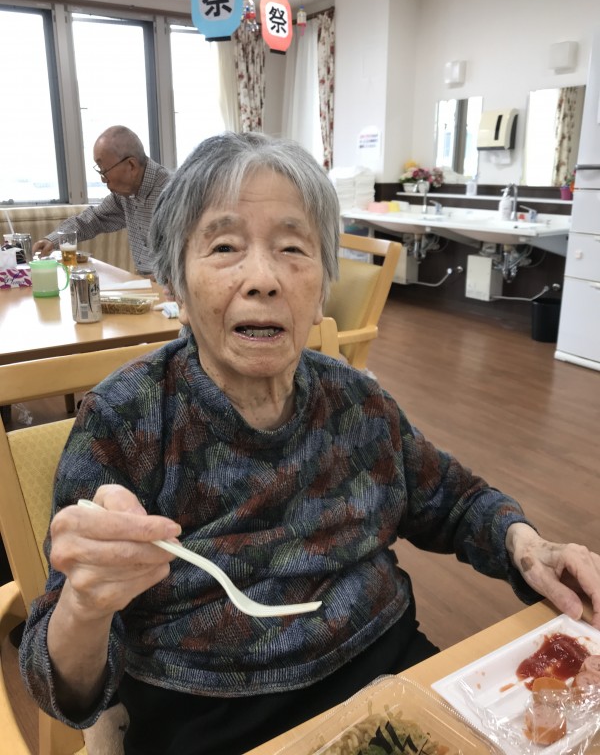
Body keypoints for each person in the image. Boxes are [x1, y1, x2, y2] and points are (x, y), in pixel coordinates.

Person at [20, 133, 600, 755]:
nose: (263, 279)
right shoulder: (126, 419)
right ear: (176, 288)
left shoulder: (357, 400)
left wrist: (528, 545)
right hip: (210, 724)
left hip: (393, 682)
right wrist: (85, 605)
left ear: (322, 285)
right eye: (224, 247)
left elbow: (453, 501)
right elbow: (62, 688)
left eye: (293, 248)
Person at [33, 126, 171, 275]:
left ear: (131, 165)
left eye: (104, 170)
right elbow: (93, 219)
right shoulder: (125, 195)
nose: (103, 179)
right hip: (144, 281)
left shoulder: (173, 195)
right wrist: (52, 240)